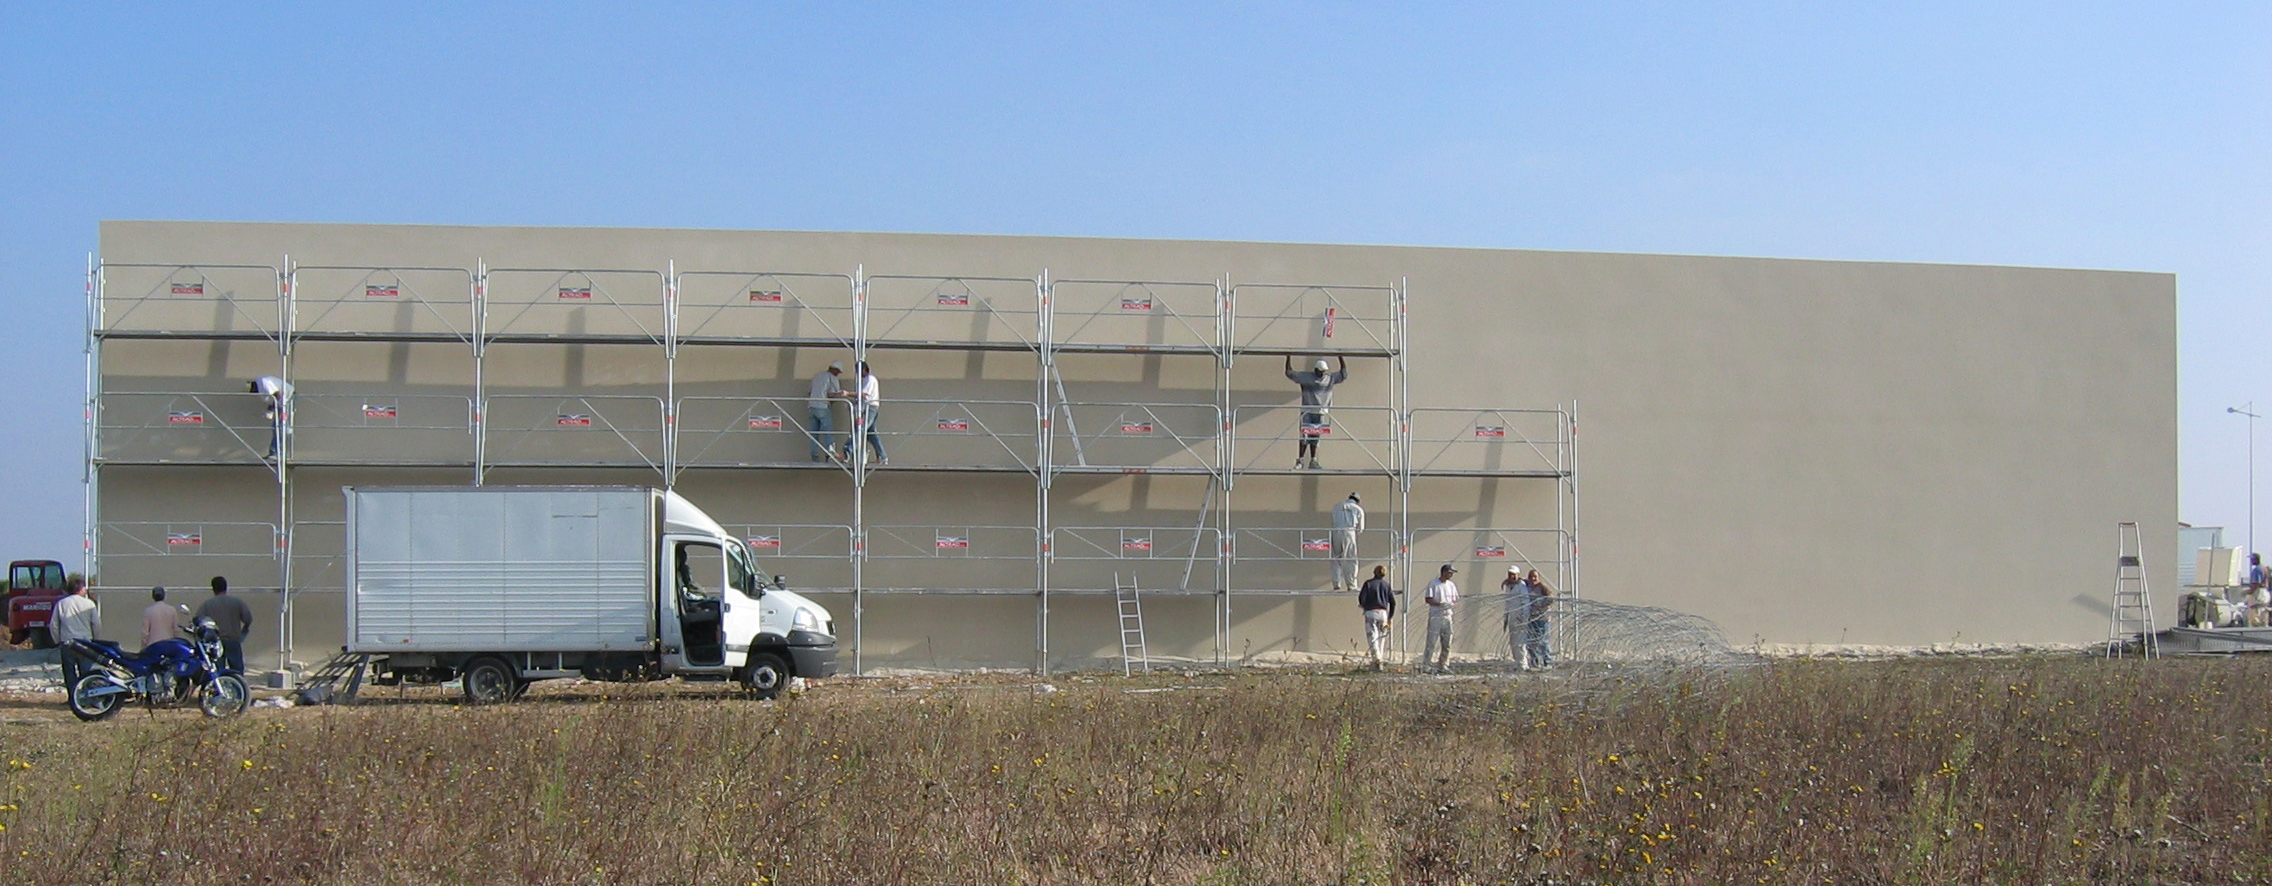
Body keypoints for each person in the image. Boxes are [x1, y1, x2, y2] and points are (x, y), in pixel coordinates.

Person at [1283, 356, 1349, 469]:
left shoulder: (1329, 378)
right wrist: (1288, 357)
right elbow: (1289, 373)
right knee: (1304, 435)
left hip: (1321, 412)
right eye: (1320, 371)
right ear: (1315, 370)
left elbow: (1344, 374)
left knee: (1315, 437)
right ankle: (1300, 461)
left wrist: (1340, 357)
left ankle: (1313, 461)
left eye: (1324, 371)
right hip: (1307, 411)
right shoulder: (1306, 377)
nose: (1322, 374)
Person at [195, 576, 254, 675]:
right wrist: (243, 632)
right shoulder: (236, 602)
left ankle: (220, 688)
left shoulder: (207, 605)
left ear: (213, 589)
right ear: (226, 587)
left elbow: (198, 620)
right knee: (237, 669)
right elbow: (248, 619)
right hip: (233, 639)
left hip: (215, 642)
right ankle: (238, 687)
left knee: (218, 671)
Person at [50, 577, 98, 691]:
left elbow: (54, 625)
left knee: (69, 671)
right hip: (85, 642)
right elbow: (96, 624)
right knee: (86, 671)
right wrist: (96, 640)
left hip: (68, 642)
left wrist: (58, 640)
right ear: (81, 589)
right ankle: (87, 696)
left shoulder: (61, 604)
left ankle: (72, 696)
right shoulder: (89, 604)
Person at [840, 361, 886, 465]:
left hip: (869, 408)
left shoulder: (869, 379)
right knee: (871, 434)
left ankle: (846, 452)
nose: (857, 373)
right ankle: (882, 456)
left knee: (859, 430)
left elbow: (864, 394)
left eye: (858, 370)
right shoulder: (866, 380)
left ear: (864, 369)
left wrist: (847, 394)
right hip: (870, 407)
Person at [1421, 564, 1459, 673]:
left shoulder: (1451, 585)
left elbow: (1455, 599)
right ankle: (1426, 665)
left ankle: (1443, 664)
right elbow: (1428, 599)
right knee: (1431, 641)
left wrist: (1450, 604)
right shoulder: (1434, 584)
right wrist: (1440, 604)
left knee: (1447, 642)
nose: (1451, 575)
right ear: (1444, 572)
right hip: (1435, 616)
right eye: (1450, 572)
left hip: (1447, 616)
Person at [1357, 565, 1395, 671]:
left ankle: (1376, 661)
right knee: (1381, 638)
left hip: (1371, 612)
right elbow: (1393, 602)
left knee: (1372, 637)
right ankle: (1380, 660)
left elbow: (1361, 599)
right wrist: (1390, 617)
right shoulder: (1386, 585)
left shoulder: (1368, 584)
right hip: (1383, 613)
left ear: (1374, 572)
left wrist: (1364, 606)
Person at [807, 361, 845, 462]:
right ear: (835, 370)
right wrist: (837, 398)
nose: (838, 374)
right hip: (823, 407)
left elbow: (809, 392)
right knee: (828, 432)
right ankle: (830, 454)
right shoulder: (832, 378)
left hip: (811, 406)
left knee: (814, 433)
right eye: (838, 372)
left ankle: (814, 455)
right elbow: (831, 394)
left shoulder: (817, 376)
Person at [248, 375, 292, 459]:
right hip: (283, 400)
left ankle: (276, 454)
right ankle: (275, 453)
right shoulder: (262, 384)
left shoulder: (264, 383)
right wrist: (270, 410)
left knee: (280, 428)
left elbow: (277, 395)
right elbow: (273, 399)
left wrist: (282, 410)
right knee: (278, 428)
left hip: (287, 399)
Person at [1329, 493, 1364, 591]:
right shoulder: (1358, 509)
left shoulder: (1337, 507)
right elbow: (1360, 529)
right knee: (1350, 558)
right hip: (1349, 532)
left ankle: (1336, 583)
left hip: (1335, 532)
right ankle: (1351, 585)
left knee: (1335, 557)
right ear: (1358, 501)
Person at [1523, 569, 1556, 670]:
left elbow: (1551, 598)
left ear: (1539, 578)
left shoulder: (1542, 588)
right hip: (1531, 618)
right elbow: (1517, 579)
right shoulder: (1527, 586)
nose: (1533, 578)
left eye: (1535, 577)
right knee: (1531, 642)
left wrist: (1541, 606)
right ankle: (1535, 662)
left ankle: (1548, 661)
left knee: (1543, 641)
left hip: (1542, 619)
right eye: (1531, 576)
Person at [1500, 566, 1530, 666]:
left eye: (1514, 574)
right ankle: (1517, 662)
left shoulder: (1522, 586)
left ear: (1518, 575)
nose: (1511, 576)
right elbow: (1507, 604)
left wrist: (1524, 618)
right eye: (1510, 574)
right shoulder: (1508, 586)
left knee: (1520, 642)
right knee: (1513, 642)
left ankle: (1523, 664)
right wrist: (1506, 618)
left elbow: (1525, 603)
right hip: (1512, 618)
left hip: (1520, 618)